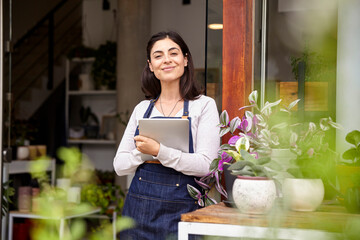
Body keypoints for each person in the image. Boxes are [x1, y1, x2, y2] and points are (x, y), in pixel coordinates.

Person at [113, 31, 220, 239]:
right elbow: (119, 166)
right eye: (158, 55)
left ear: (185, 60)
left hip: (183, 213)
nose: (167, 60)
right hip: (138, 211)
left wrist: (160, 151)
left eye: (174, 53)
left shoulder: (203, 105)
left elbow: (207, 165)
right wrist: (143, 153)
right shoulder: (142, 109)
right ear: (151, 66)